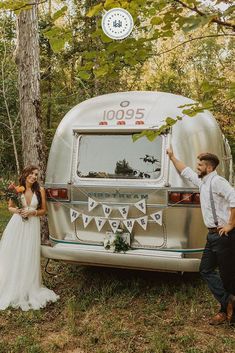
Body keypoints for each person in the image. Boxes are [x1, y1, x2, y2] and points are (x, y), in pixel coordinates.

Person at [167, 147, 235, 325]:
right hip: (212, 236)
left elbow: (234, 197)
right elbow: (185, 171)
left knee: (228, 276)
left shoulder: (218, 182)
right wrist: (173, 157)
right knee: (205, 269)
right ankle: (228, 303)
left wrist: (231, 224)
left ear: (209, 168)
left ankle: (226, 311)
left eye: (200, 165)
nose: (196, 167)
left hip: (224, 236)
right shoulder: (203, 182)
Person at [0, 165, 59, 311]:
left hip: (32, 225)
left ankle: (28, 286)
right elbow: (10, 207)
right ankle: (12, 284)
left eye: (36, 174)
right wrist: (18, 211)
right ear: (25, 174)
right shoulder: (18, 189)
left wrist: (33, 213)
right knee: (14, 254)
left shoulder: (40, 190)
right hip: (17, 224)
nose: (34, 176)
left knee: (28, 254)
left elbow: (44, 210)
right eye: (31, 173)